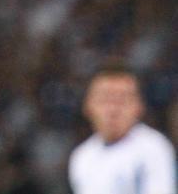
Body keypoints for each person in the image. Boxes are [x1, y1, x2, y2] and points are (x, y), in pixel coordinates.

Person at [68, 63, 176, 194]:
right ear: (88, 105)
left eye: (122, 100)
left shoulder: (153, 148)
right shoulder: (82, 157)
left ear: (139, 106)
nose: (113, 109)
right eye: (105, 99)